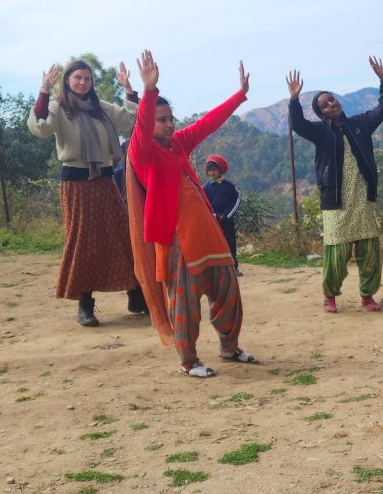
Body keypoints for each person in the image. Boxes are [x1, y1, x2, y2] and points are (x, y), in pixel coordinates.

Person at [127, 51, 258, 377]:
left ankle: (229, 347)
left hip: (207, 231)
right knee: (184, 301)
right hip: (176, 238)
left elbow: (207, 122)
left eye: (172, 118)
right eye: (162, 120)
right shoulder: (142, 152)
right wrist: (148, 91)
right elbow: (142, 128)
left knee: (228, 288)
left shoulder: (179, 144)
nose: (171, 124)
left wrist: (239, 96)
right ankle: (189, 361)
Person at [28, 59, 147, 326]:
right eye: (77, 78)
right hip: (77, 184)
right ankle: (85, 305)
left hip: (105, 181)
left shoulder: (99, 107)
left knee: (123, 235)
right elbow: (40, 128)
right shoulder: (58, 108)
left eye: (87, 79)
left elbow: (130, 118)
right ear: (67, 80)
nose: (83, 83)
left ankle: (136, 295)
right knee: (84, 243)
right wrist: (44, 91)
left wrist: (128, 88)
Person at [285, 59, 383, 313]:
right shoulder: (320, 131)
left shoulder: (359, 124)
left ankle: (367, 296)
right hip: (335, 202)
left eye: (331, 100)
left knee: (369, 251)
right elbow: (298, 125)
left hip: (361, 199)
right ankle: (330, 296)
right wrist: (294, 100)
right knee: (337, 253)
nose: (330, 104)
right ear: (321, 113)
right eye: (324, 104)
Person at [203, 154, 241, 269]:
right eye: (209, 170)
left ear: (221, 170)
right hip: (213, 221)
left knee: (230, 241)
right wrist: (216, 215)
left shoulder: (229, 186)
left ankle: (233, 266)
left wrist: (226, 215)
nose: (211, 173)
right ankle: (218, 267)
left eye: (214, 170)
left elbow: (236, 200)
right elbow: (204, 204)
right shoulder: (205, 188)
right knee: (214, 242)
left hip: (227, 220)